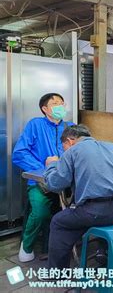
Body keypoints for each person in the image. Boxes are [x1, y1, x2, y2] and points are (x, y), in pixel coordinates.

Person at [43, 125, 113, 269]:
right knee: (88, 215)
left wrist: (52, 164)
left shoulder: (73, 151)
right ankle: (105, 253)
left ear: (70, 141)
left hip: (97, 212)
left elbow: (55, 183)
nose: (64, 152)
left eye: (64, 147)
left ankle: (56, 273)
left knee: (59, 222)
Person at [12, 93, 74, 263]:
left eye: (62, 102)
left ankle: (62, 247)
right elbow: (19, 153)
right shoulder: (35, 125)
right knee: (39, 212)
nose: (61, 106)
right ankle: (27, 246)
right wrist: (43, 168)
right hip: (40, 181)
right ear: (45, 109)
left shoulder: (70, 127)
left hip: (67, 182)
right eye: (55, 103)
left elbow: (82, 149)